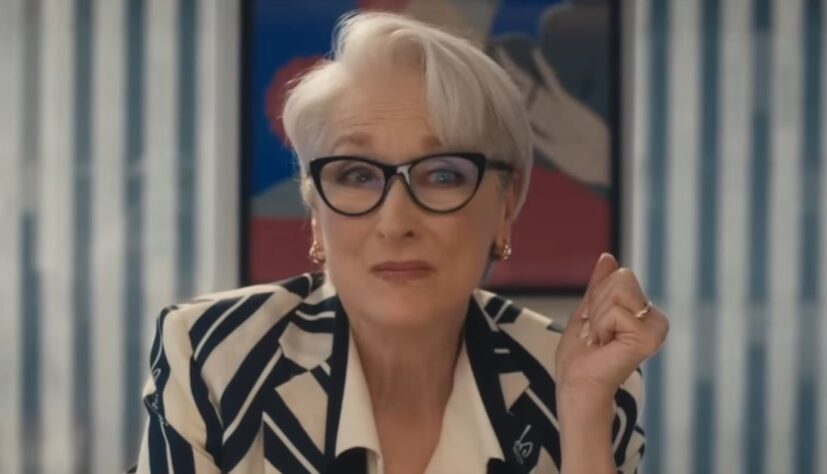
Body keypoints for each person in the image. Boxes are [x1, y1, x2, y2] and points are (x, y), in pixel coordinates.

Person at [133, 11, 668, 474]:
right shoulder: (213, 356)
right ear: (316, 213)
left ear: (505, 207)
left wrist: (582, 408)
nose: (395, 223)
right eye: (357, 174)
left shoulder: (581, 381)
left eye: (442, 175)